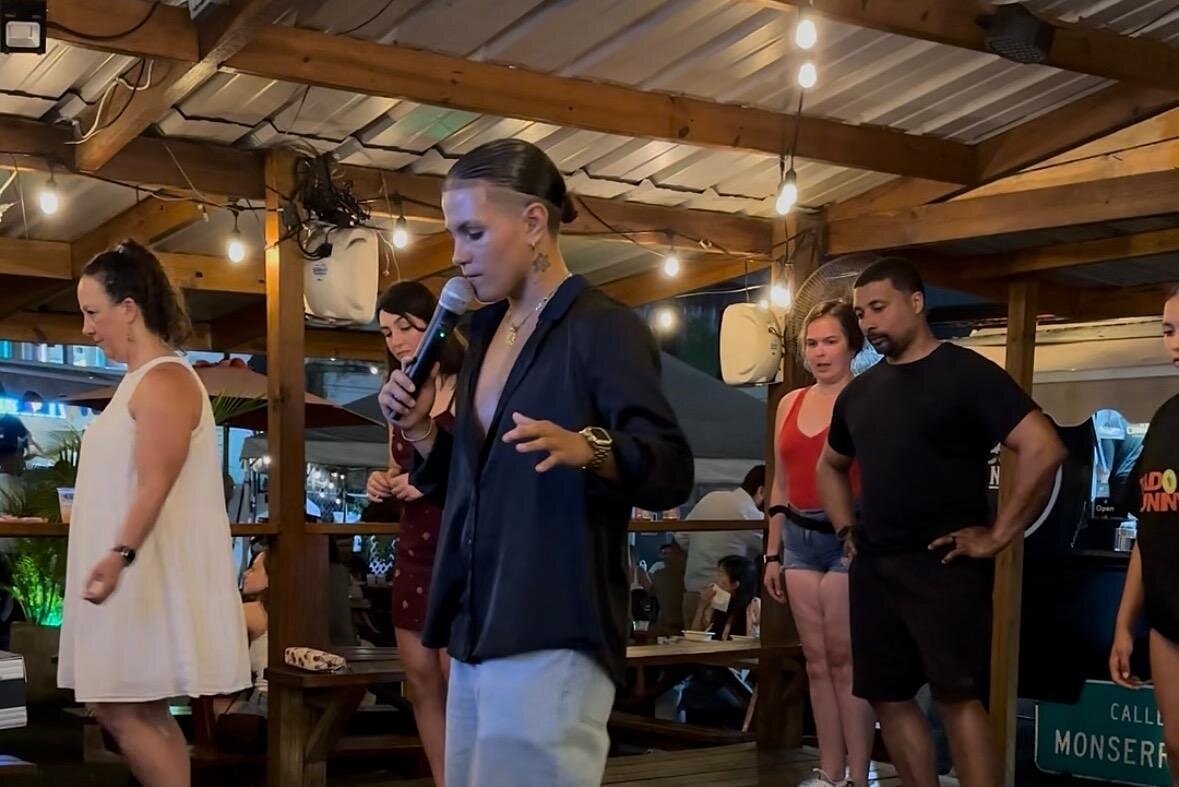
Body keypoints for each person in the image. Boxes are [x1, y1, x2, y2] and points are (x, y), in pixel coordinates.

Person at [378, 138, 694, 787]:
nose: (458, 254)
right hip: (475, 617)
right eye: (453, 234)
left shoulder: (602, 328)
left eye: (472, 232)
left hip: (553, 617)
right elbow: (472, 479)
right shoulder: (486, 331)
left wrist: (591, 447)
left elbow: (670, 467)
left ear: (532, 222)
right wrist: (421, 433)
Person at [816, 257, 1066, 787]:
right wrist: (844, 530)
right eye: (860, 314)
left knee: (957, 697)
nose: (869, 323)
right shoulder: (859, 392)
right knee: (887, 694)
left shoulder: (966, 373)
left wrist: (999, 535)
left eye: (878, 308)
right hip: (876, 564)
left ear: (916, 302)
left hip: (944, 562)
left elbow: (1043, 447)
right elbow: (829, 466)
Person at [57, 240, 250, 787]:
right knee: (133, 709)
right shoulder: (141, 380)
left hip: (141, 572)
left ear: (128, 308)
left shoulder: (165, 379)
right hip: (131, 570)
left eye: (92, 312)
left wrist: (119, 554)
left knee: (123, 707)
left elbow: (155, 482)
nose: (87, 329)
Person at [765, 300, 875, 787]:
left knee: (845, 658)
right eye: (812, 343)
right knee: (814, 662)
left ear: (852, 345)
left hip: (847, 536)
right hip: (797, 538)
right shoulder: (789, 402)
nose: (820, 352)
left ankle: (859, 773)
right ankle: (829, 770)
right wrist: (772, 552)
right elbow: (780, 482)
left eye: (831, 341)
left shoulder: (866, 397)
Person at [365, 280, 464, 786]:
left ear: (435, 325)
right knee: (421, 682)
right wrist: (382, 480)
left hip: (457, 543)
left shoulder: (469, 383)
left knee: (456, 679)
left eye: (406, 327)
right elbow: (396, 464)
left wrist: (422, 480)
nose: (398, 341)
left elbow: (470, 469)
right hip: (414, 545)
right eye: (387, 332)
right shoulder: (397, 392)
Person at [1110, 286, 1179, 784]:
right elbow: (1147, 531)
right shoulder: (1166, 418)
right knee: (1176, 744)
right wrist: (1123, 625)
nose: (1175, 341)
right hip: (1167, 622)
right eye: (1169, 330)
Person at [675, 465, 765, 630]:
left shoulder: (711, 498)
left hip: (692, 594)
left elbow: (681, 537)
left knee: (692, 645)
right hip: (725, 601)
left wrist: (703, 551)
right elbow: (774, 548)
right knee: (725, 646)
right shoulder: (751, 514)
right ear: (762, 491)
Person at [690, 554, 759, 639]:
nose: (715, 578)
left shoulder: (753, 607)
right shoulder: (718, 603)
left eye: (721, 574)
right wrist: (701, 606)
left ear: (735, 584)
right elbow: (695, 636)